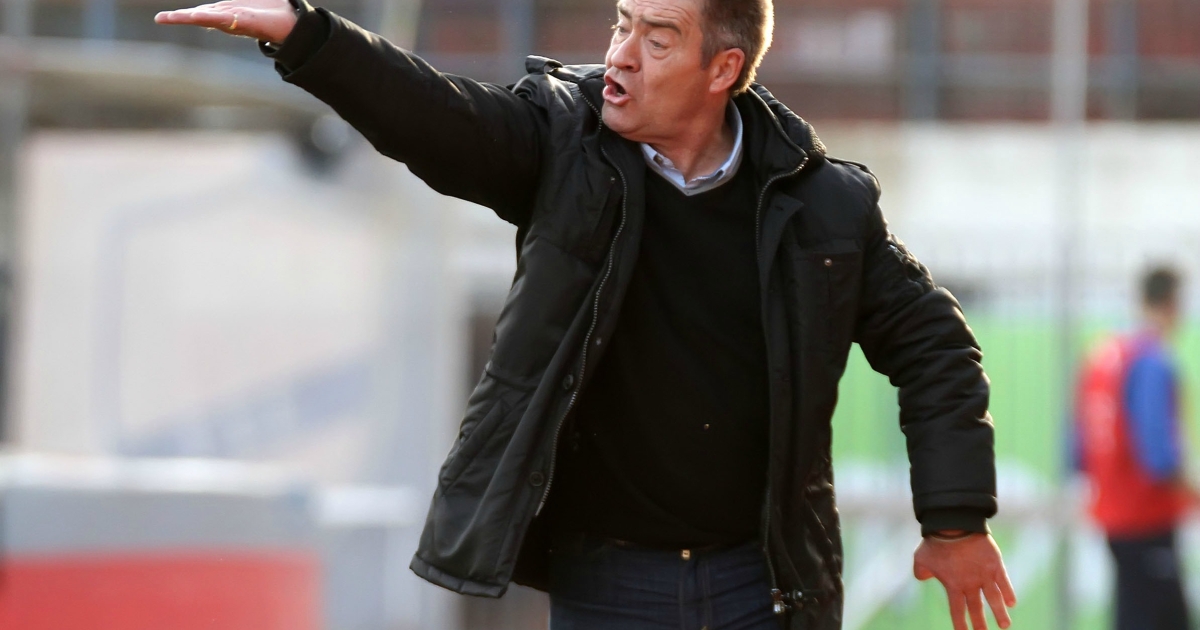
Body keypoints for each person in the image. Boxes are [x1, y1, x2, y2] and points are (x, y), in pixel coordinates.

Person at [155, 0, 1017, 627]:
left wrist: (954, 522)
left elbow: (935, 346)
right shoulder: (561, 146)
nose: (621, 56)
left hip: (766, 587)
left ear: (722, 70)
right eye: (620, 24)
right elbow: (439, 117)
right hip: (608, 585)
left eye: (657, 37)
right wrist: (307, 34)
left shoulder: (822, 204)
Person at [1076, 266, 1195, 630]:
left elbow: (1077, 448)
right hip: (1147, 515)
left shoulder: (1102, 354)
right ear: (1172, 303)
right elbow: (1159, 456)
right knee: (1158, 617)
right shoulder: (1152, 361)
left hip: (1112, 512)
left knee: (1137, 609)